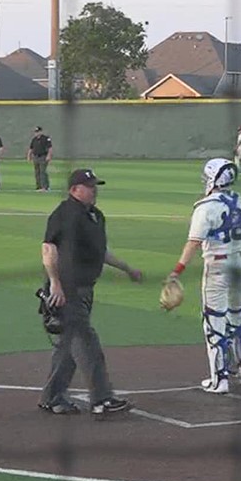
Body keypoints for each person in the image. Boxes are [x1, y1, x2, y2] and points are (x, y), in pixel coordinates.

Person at [38, 168, 143, 417]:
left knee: (68, 348)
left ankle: (53, 397)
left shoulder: (95, 216)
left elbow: (100, 253)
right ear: (74, 189)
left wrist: (127, 269)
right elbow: (48, 248)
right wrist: (55, 284)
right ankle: (102, 400)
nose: (94, 190)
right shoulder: (65, 214)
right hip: (66, 291)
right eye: (89, 186)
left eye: (95, 185)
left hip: (85, 290)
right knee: (87, 343)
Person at [166, 157, 241, 395]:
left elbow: (193, 243)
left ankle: (220, 379)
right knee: (237, 315)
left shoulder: (206, 206)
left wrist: (177, 271)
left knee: (214, 319)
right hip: (240, 262)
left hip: (218, 266)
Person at [26, 125, 53, 191]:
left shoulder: (46, 138)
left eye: (38, 132)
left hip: (43, 157)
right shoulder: (34, 139)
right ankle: (39, 186)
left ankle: (45, 187)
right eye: (35, 132)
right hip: (36, 157)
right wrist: (29, 156)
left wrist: (49, 156)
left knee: (43, 172)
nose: (36, 133)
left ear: (41, 132)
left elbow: (50, 148)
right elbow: (31, 148)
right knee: (37, 172)